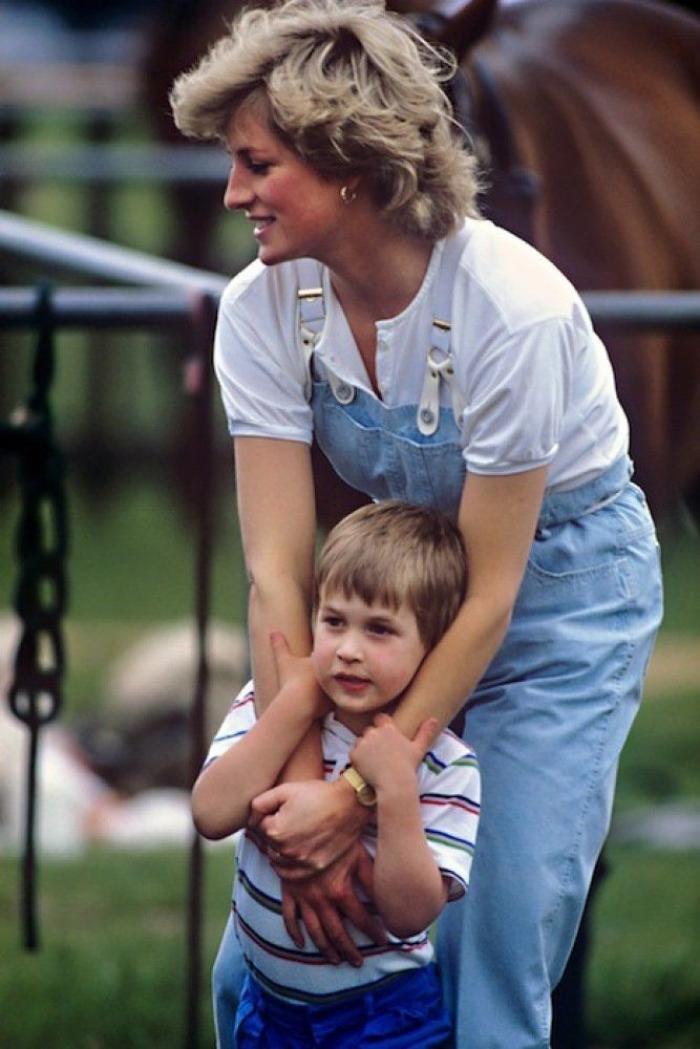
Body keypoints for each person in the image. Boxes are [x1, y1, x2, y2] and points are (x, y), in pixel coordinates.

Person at [170, 2, 663, 1046]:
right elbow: (275, 565)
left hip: (551, 604)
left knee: (491, 937)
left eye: (258, 165)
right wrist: (303, 797)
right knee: (258, 956)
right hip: (386, 607)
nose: (232, 193)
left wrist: (362, 791)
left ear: (349, 163)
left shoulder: (511, 309)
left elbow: (489, 595)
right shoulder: (259, 308)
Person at [195, 500, 479, 1047]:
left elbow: (411, 914)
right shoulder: (266, 707)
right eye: (334, 621)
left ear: (434, 647)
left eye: (379, 630)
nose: (348, 650)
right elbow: (210, 813)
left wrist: (394, 790)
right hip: (269, 1009)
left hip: (384, 1020)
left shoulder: (445, 764)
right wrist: (292, 708)